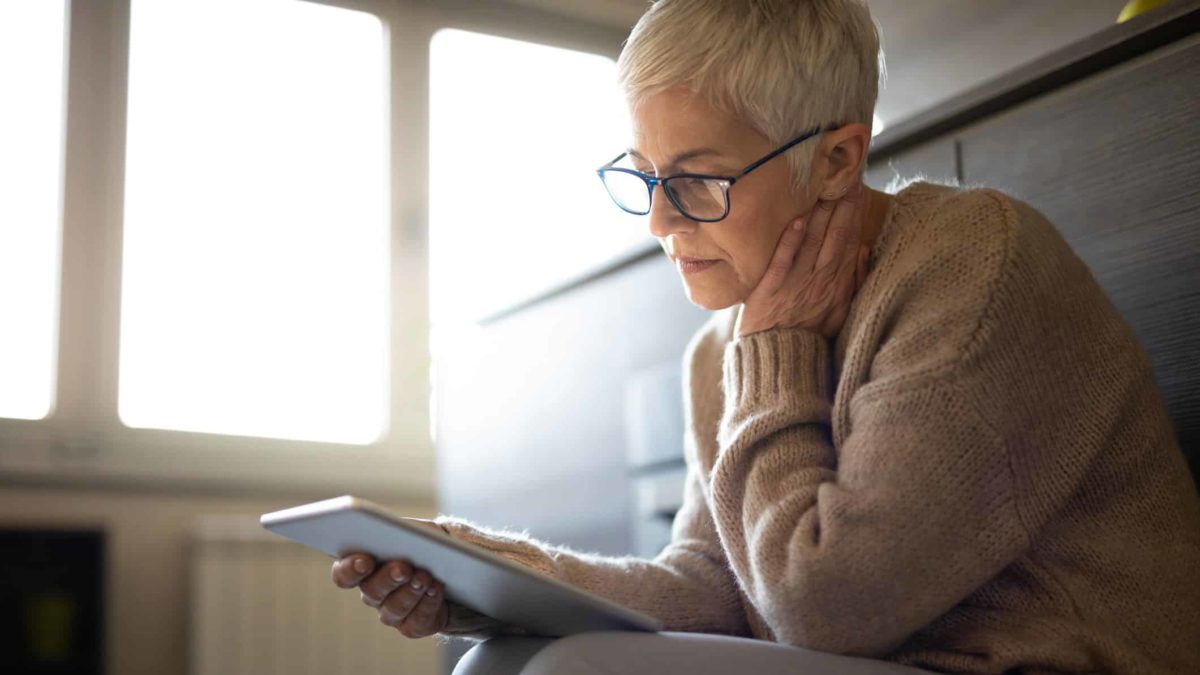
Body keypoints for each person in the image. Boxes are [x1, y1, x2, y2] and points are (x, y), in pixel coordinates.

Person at [329, 1, 1200, 673]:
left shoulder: (974, 266)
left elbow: (828, 608)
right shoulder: (724, 346)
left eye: (699, 180)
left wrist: (775, 358)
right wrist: (481, 575)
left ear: (835, 161)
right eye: (644, 178)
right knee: (503, 655)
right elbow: (713, 586)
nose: (661, 223)